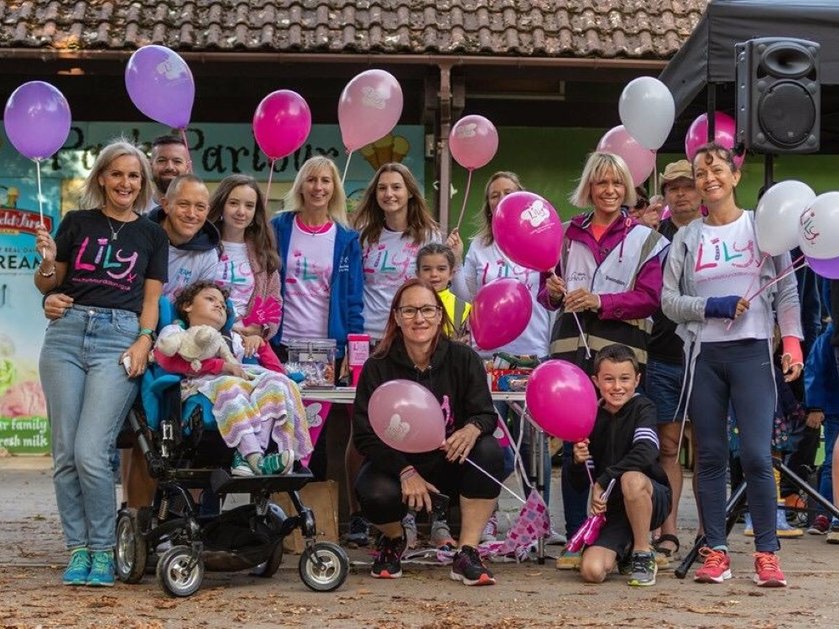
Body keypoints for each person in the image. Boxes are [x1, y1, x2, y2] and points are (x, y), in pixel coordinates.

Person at [662, 142, 803, 587]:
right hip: (705, 357)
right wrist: (712, 306)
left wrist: (792, 343)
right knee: (710, 457)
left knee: (758, 456)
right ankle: (716, 552)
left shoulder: (760, 228)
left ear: (735, 176)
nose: (709, 179)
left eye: (717, 170)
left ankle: (767, 553)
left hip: (752, 354)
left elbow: (787, 291)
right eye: (701, 174)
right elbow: (668, 301)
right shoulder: (687, 237)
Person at [34, 139, 169, 587]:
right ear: (102, 178)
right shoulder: (77, 222)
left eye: (133, 176)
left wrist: (144, 341)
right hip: (67, 335)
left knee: (92, 451)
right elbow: (49, 285)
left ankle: (104, 549)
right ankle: (79, 550)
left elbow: (151, 301)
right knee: (65, 453)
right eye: (117, 174)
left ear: (142, 183)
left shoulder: (152, 234)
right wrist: (47, 266)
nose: (125, 183)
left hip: (118, 338)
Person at [537, 151, 667, 568]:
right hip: (570, 351)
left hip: (620, 353)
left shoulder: (645, 238)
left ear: (626, 188)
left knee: (621, 440)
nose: (609, 190)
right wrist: (552, 292)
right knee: (575, 442)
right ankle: (577, 535)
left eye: (616, 183)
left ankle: (624, 534)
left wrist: (600, 301)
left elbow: (650, 299)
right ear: (588, 187)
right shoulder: (563, 234)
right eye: (601, 182)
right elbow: (545, 293)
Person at [353, 278, 503, 584]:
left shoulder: (464, 358)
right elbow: (364, 435)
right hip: (398, 466)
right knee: (373, 491)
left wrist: (472, 428)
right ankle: (394, 540)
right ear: (396, 317)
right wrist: (404, 470)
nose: (419, 318)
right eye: (409, 311)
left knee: (489, 451)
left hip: (450, 460)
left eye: (427, 310)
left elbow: (486, 414)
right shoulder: (377, 366)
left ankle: (467, 552)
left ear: (439, 314)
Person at [153, 281, 312, 476]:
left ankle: (251, 458)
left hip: (242, 387)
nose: (219, 305)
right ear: (187, 306)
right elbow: (165, 360)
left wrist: (262, 345)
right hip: (201, 385)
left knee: (278, 383)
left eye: (222, 304)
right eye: (210, 299)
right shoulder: (177, 332)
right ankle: (254, 458)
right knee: (230, 384)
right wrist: (222, 366)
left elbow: (276, 372)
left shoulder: (234, 340)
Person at [570, 344, 671, 586]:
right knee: (592, 572)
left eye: (624, 379)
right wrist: (578, 461)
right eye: (609, 379)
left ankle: (643, 553)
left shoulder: (644, 407)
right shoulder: (589, 415)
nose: (617, 387)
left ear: (637, 379)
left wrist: (604, 480)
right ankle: (625, 550)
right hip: (614, 510)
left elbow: (646, 451)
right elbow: (579, 483)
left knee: (631, 478)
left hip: (650, 498)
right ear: (595, 381)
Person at [645, 159, 704, 561]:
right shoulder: (653, 238)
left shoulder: (714, 231)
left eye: (688, 186)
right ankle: (667, 531)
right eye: (673, 188)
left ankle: (707, 531)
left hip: (708, 355)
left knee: (707, 449)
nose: (681, 194)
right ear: (665, 194)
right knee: (667, 448)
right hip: (663, 353)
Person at [449, 171, 551, 359]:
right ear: (488, 205)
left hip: (534, 350)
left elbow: (552, 300)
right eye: (494, 195)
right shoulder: (479, 246)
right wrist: (456, 261)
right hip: (487, 353)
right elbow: (467, 300)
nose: (502, 199)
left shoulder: (540, 240)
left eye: (508, 192)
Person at [208, 174, 282, 354]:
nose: (241, 212)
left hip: (248, 346)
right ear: (221, 205)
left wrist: (260, 330)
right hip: (207, 340)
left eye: (249, 206)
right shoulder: (204, 247)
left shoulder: (263, 253)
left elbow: (274, 302)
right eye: (233, 203)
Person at [142, 135, 191, 213]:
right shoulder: (137, 210)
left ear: (188, 167)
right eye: (162, 160)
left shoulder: (198, 213)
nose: (169, 167)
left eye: (177, 161)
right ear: (150, 166)